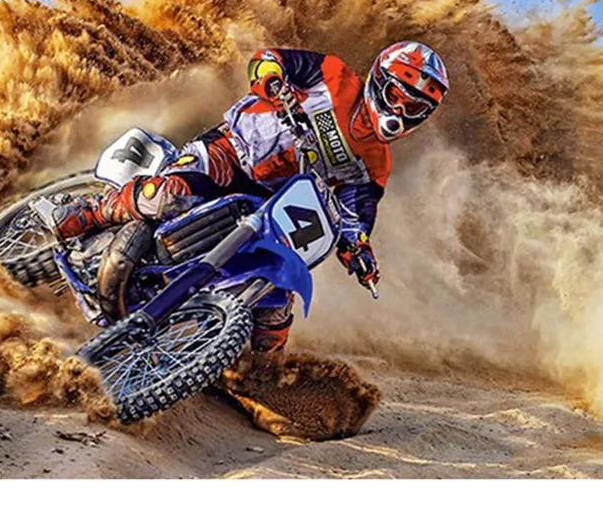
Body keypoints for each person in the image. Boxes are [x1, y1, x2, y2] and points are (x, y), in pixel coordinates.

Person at [53, 41, 449, 351]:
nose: (403, 112)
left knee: (278, 296)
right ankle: (90, 213)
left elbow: (356, 215)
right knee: (169, 195)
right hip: (231, 152)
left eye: (416, 108)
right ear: (380, 80)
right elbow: (267, 60)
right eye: (399, 96)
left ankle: (255, 374)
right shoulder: (334, 76)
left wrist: (359, 251)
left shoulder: (376, 163)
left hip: (273, 201)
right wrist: (275, 83)